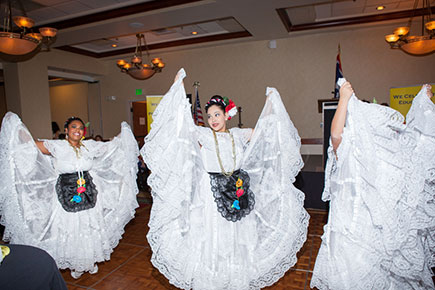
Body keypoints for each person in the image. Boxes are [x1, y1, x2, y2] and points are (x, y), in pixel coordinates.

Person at [141, 68, 309, 289]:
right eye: (209, 115)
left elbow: (263, 131)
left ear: (226, 115)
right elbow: (180, 124)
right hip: (210, 193)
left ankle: (234, 278)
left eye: (217, 114)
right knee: (213, 233)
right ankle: (212, 279)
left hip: (237, 190)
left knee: (237, 235)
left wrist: (271, 103)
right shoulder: (202, 134)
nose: (212, 119)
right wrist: (178, 89)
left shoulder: (238, 135)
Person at [311, 80, 435, 289]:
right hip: (348, 229)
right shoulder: (349, 149)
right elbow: (335, 135)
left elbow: (420, 145)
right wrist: (343, 100)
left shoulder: (386, 155)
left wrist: (423, 103)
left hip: (373, 232)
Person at [0, 114, 140, 279]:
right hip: (65, 193)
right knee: (71, 227)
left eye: (81, 128)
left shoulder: (89, 146)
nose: (77, 131)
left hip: (89, 193)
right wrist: (16, 130)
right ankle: (76, 263)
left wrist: (123, 134)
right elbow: (29, 146)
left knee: (88, 226)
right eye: (74, 127)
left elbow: (111, 147)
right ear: (66, 130)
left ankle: (89, 260)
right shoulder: (56, 146)